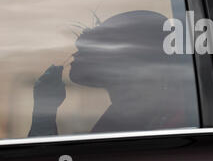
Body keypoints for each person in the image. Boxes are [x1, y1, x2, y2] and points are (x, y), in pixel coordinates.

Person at [29, 10, 193, 136]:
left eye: (101, 44)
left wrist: (43, 117)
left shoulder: (172, 126)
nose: (75, 53)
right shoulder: (124, 117)